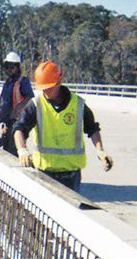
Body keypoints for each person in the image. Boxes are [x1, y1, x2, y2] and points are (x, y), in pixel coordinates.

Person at [13, 61, 114, 192]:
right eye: (43, 88)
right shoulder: (36, 105)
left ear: (59, 81)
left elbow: (92, 129)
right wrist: (22, 150)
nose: (46, 91)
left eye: (50, 87)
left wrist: (100, 150)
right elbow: (19, 128)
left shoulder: (78, 104)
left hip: (71, 175)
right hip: (44, 173)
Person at [0, 52, 34, 156]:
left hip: (18, 122)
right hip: (8, 122)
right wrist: (4, 123)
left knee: (13, 151)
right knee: (6, 150)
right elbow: (4, 104)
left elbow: (29, 97)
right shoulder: (8, 82)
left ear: (17, 67)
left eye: (11, 67)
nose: (9, 70)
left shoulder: (23, 81)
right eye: (7, 67)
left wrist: (17, 109)